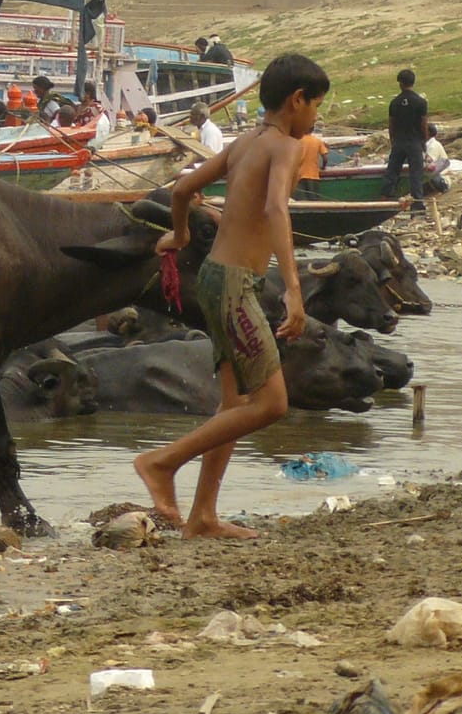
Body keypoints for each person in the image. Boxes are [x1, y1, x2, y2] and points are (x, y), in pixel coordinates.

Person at [136, 52, 330, 539]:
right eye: (316, 106)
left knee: (234, 404)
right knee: (271, 404)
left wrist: (181, 237)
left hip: (213, 279)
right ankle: (162, 463)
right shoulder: (287, 146)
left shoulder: (245, 142)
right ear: (297, 100)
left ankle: (202, 517)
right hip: (237, 287)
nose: (316, 117)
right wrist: (292, 289)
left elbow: (182, 189)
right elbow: (276, 211)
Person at [379, 68, 431, 211]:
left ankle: (384, 199)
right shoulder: (421, 102)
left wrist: (392, 141)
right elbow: (423, 124)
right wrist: (424, 142)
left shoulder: (394, 102)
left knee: (392, 171)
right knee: (416, 174)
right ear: (413, 82)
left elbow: (391, 125)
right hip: (414, 142)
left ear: (400, 83)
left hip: (399, 141)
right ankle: (417, 204)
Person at [294, 127, 328, 200]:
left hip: (299, 176)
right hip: (313, 175)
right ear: (312, 130)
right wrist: (323, 167)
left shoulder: (297, 141)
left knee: (300, 201)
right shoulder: (317, 141)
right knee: (314, 199)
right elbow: (325, 158)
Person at [425, 123, 451, 194]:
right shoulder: (428, 144)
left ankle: (442, 186)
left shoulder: (433, 145)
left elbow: (429, 161)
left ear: (428, 132)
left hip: (440, 175)